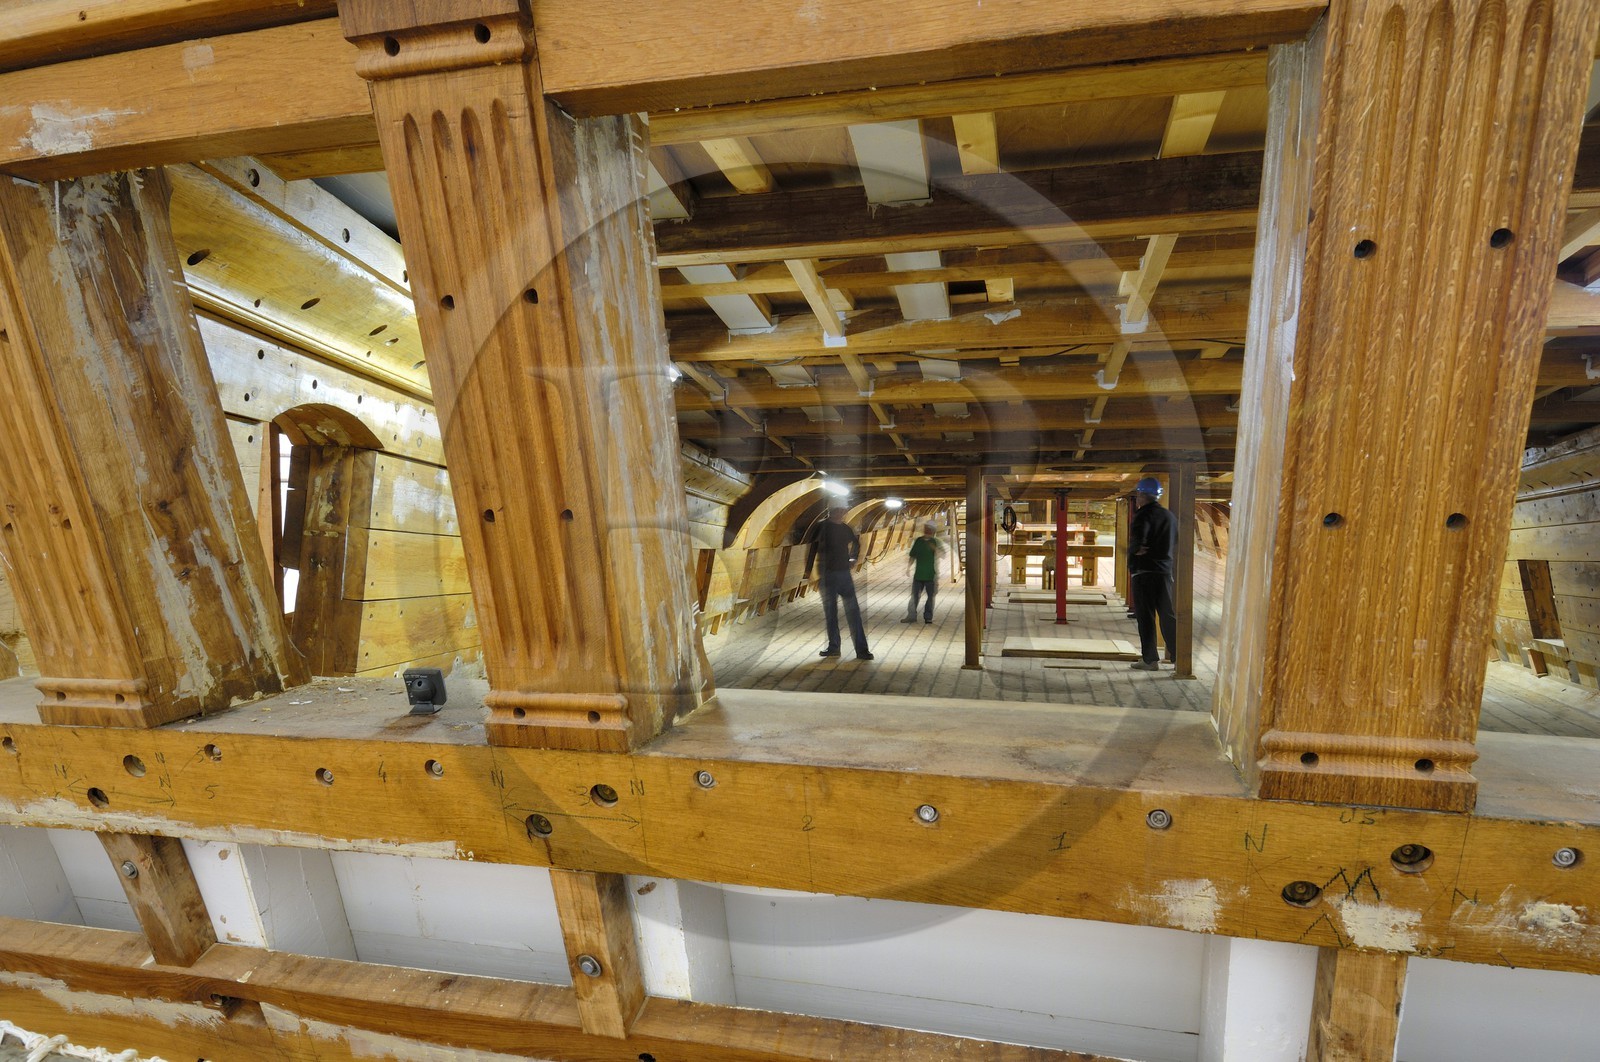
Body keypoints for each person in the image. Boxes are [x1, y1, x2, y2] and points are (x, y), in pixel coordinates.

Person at [805, 506, 873, 660]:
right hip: (827, 575)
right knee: (831, 614)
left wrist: (853, 558)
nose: (841, 513)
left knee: (853, 612)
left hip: (844, 575)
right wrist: (808, 572)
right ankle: (834, 647)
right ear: (831, 511)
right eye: (838, 510)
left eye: (843, 511)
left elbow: (856, 544)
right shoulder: (821, 527)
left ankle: (862, 650)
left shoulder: (845, 528)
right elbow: (811, 549)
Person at [1127, 477, 1177, 671]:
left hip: (1144, 573)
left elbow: (1139, 540)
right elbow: (1176, 539)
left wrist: (1135, 549)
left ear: (1141, 495)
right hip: (1164, 572)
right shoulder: (1169, 517)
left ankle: (1150, 660)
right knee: (1167, 614)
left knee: (1146, 617)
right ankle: (1177, 657)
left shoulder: (1142, 515)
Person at [902, 521, 944, 624]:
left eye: (929, 529)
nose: (927, 531)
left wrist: (934, 548)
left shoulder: (937, 541)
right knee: (914, 596)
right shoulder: (918, 541)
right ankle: (911, 616)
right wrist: (908, 568)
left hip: (932, 575)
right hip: (919, 574)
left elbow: (943, 555)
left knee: (930, 597)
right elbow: (913, 555)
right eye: (926, 528)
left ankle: (928, 617)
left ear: (933, 531)